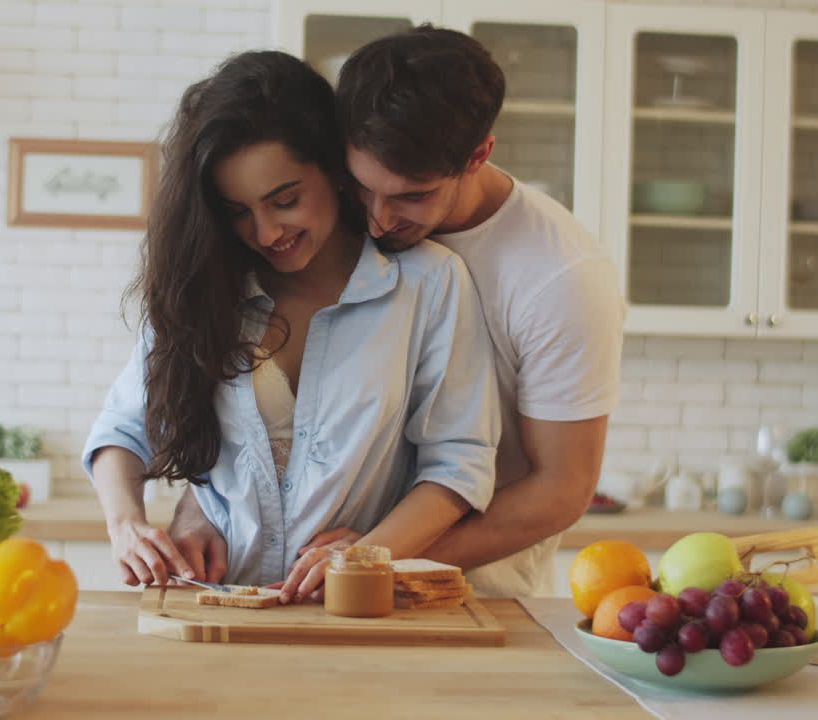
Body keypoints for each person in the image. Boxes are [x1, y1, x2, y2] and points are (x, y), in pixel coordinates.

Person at [170, 26, 625, 599]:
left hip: (472, 595)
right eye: (363, 189)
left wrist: (377, 556)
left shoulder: (560, 277)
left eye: (411, 196)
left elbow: (562, 490)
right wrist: (200, 509)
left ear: (479, 155)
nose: (380, 221)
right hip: (315, 589)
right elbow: (265, 413)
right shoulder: (327, 224)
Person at [82, 50, 500, 602]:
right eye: (237, 211)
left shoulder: (428, 285)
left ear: (334, 170)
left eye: (286, 200)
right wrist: (125, 524)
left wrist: (371, 553)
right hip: (216, 603)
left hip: (358, 610)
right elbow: (123, 430)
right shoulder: (205, 289)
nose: (265, 231)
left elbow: (459, 464)